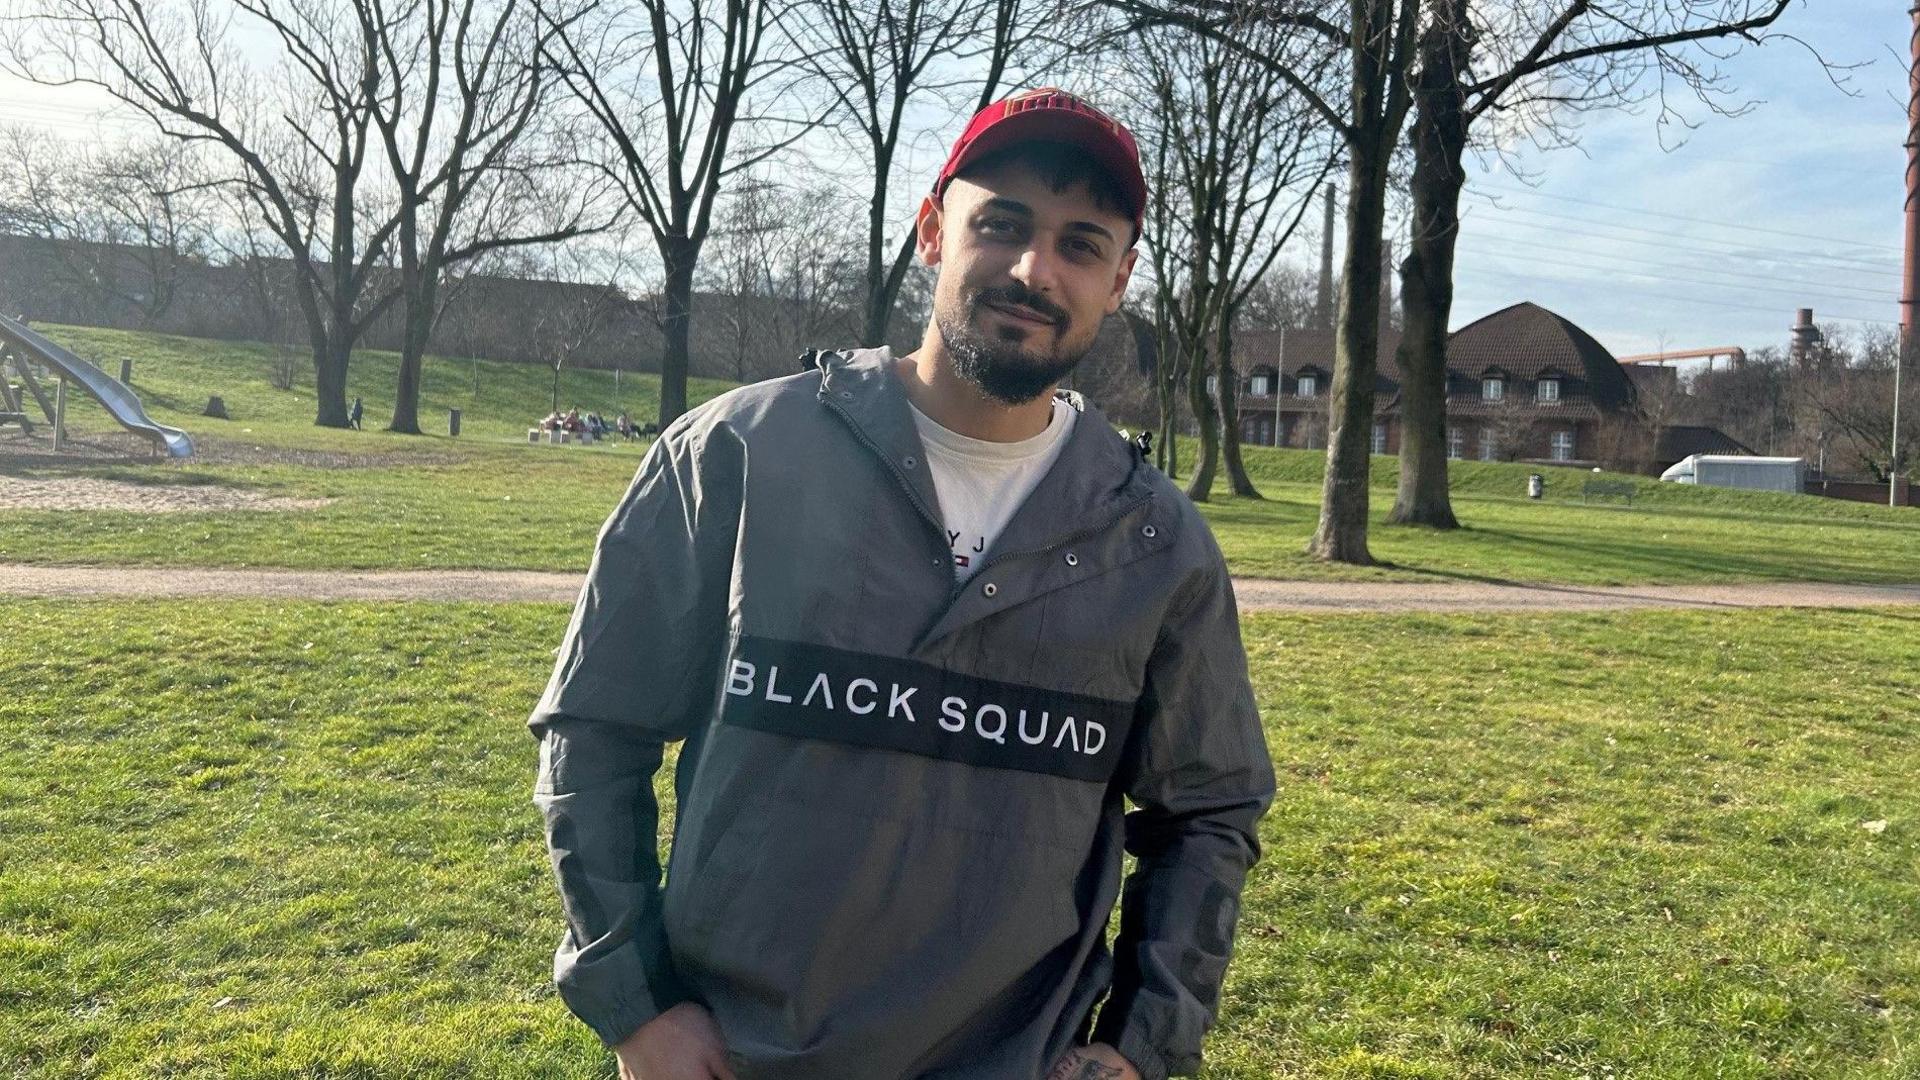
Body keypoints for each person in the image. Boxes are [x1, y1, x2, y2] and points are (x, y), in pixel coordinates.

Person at [531, 88, 1272, 1080]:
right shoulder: (738, 455)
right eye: (1000, 225)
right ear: (933, 230)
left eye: (1080, 245)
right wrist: (638, 1006)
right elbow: (596, 727)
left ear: (1120, 279)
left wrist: (1140, 1047)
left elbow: (1209, 815)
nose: (1032, 270)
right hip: (736, 1059)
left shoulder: (1156, 543)